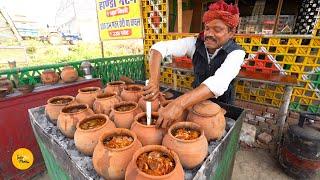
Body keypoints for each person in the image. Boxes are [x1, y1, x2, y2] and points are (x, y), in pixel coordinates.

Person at [143, 0, 245, 128]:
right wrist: (154, 80)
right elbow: (158, 48)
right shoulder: (195, 44)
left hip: (222, 108)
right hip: (195, 104)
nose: (209, 34)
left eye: (217, 30)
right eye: (207, 28)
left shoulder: (236, 53)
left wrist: (178, 104)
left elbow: (218, 83)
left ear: (231, 33)